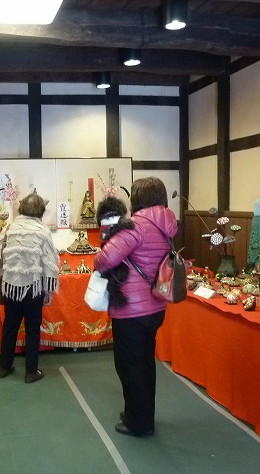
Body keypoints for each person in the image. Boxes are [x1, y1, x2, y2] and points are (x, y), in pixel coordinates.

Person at [94, 177, 178, 437]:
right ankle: (140, 414)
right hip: (156, 306)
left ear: (137, 199)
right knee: (145, 364)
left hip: (131, 309)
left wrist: (104, 245)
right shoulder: (167, 225)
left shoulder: (136, 226)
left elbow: (105, 259)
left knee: (129, 366)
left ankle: (138, 423)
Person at [0, 190, 60, 383]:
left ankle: (4, 367)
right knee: (32, 329)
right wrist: (48, 289)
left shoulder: (10, 228)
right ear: (41, 210)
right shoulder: (42, 231)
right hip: (34, 287)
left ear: (22, 208)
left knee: (10, 326)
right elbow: (50, 262)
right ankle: (31, 372)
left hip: (11, 286)